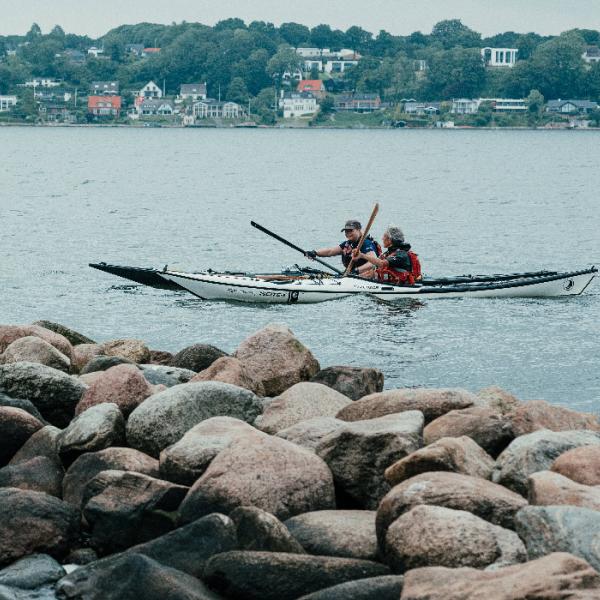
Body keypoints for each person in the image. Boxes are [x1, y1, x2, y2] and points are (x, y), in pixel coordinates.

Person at [351, 225, 422, 284]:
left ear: (390, 240)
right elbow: (374, 271)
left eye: (384, 237)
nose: (382, 238)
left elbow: (382, 263)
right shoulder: (388, 253)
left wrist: (362, 255)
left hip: (402, 286)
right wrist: (356, 277)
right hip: (389, 283)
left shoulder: (401, 255)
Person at [305, 220, 379, 271]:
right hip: (352, 275)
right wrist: (315, 252)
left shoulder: (366, 243)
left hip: (366, 277)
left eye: (351, 230)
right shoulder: (347, 244)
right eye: (346, 231)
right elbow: (330, 251)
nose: (348, 233)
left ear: (359, 230)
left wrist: (357, 271)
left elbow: (373, 263)